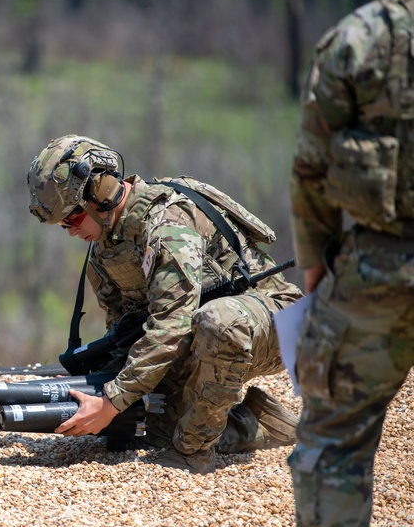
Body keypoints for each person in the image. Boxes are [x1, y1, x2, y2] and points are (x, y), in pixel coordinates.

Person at [246, 0, 414, 527]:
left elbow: (311, 167)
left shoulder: (361, 37)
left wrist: (315, 264)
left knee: (335, 433)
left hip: (377, 267)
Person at [26, 135, 303, 473]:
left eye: (72, 219)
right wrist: (106, 396)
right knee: (145, 430)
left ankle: (191, 455)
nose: (70, 233)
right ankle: (257, 421)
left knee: (218, 323)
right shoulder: (106, 251)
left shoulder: (167, 225)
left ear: (100, 193)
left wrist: (112, 401)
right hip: (199, 332)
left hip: (279, 323)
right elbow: (127, 335)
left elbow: (171, 327)